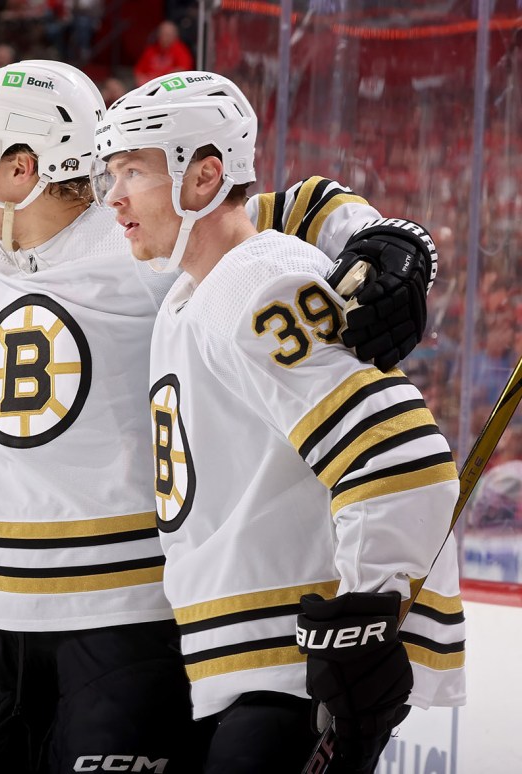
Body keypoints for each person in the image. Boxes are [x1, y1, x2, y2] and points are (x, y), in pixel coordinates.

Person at [0, 61, 438, 773]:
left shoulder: (147, 245)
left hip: (126, 619)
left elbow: (281, 212)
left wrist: (387, 237)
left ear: (22, 167)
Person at [91, 71, 465, 773]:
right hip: (244, 669)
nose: (113, 196)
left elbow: (398, 459)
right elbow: (298, 201)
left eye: (132, 171)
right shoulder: (191, 291)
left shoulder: (254, 281)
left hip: (298, 673)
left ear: (203, 177)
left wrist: (365, 625)